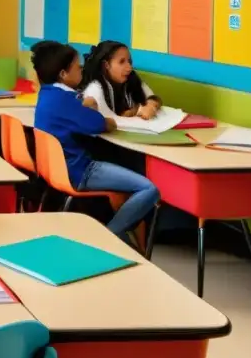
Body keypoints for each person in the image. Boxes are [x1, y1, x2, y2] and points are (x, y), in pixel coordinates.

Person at [31, 40, 158, 243]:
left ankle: (113, 234)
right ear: (63, 74)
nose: (81, 71)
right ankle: (108, 235)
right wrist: (95, 111)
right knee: (149, 189)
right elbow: (101, 124)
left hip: (60, 170)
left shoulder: (48, 95)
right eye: (77, 67)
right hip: (80, 171)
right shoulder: (66, 101)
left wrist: (86, 107)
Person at [80, 40, 163, 120]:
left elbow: (154, 97)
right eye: (122, 62)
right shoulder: (95, 88)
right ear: (106, 65)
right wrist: (135, 111)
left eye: (129, 61)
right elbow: (106, 120)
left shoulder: (131, 77)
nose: (129, 68)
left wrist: (151, 104)